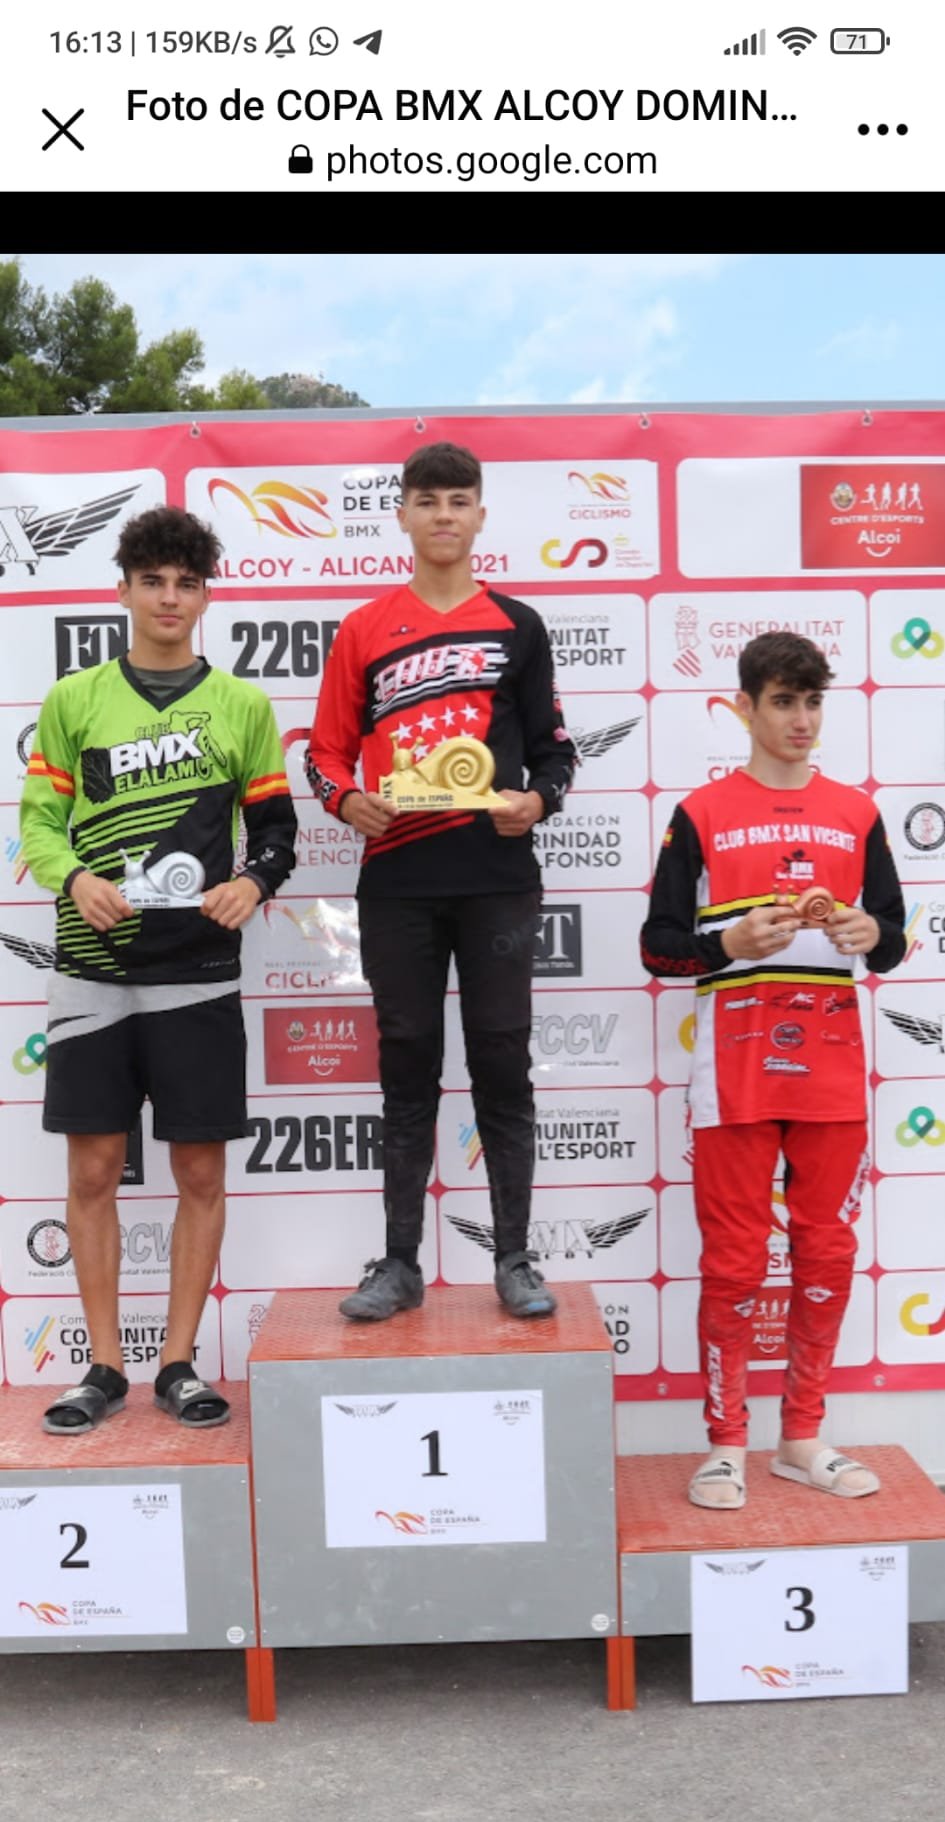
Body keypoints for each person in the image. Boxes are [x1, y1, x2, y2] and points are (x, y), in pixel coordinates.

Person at [20, 505, 297, 1433]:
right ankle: (103, 1367)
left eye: (186, 583)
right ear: (123, 590)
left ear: (206, 595)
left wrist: (252, 883)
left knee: (200, 1174)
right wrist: (74, 878)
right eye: (153, 582)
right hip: (91, 970)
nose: (169, 598)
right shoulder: (74, 700)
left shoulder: (243, 706)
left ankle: (178, 1362)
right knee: (94, 1171)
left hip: (200, 973)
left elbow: (275, 829)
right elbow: (38, 825)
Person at [306, 441, 577, 1320]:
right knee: (407, 1067)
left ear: (480, 515)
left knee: (501, 1062)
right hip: (397, 879)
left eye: (459, 501)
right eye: (427, 501)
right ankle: (398, 1264)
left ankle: (514, 1259)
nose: (444, 516)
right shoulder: (363, 627)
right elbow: (323, 754)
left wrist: (538, 801)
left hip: (496, 877)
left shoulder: (518, 625)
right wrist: (346, 801)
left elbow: (555, 752)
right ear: (402, 516)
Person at [640, 630, 906, 1507]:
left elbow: (891, 941)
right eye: (783, 701)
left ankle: (801, 1437)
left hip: (831, 1073)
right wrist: (727, 945)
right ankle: (724, 1445)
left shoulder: (856, 813)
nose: (801, 719)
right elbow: (657, 947)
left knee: (826, 1253)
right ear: (743, 708)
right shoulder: (700, 813)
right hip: (734, 1074)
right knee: (733, 1262)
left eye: (812, 701)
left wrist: (870, 933)